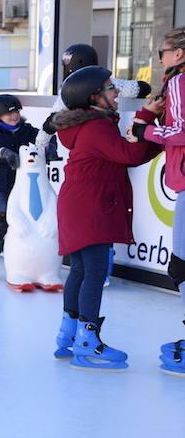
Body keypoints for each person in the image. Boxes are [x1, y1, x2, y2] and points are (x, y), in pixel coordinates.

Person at [51, 66, 161, 370]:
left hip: (79, 204)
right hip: (90, 207)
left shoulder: (87, 125)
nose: (116, 92)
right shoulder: (97, 127)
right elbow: (131, 155)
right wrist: (153, 126)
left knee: (81, 270)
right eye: (110, 87)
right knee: (94, 272)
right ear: (94, 97)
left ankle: (68, 334)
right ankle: (87, 342)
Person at [40, 43, 152, 286]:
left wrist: (42, 142)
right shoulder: (99, 91)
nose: (114, 92)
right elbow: (139, 87)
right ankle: (89, 312)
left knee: (82, 265)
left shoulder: (70, 91)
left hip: (83, 166)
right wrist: (155, 132)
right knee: (94, 253)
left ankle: (72, 321)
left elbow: (50, 122)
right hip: (97, 168)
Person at [126, 26, 185, 375]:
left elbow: (181, 131)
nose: (160, 57)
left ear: (178, 53)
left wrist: (144, 129)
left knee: (180, 266)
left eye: (162, 51)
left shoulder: (179, 83)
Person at [0, 95, 39, 279]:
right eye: (8, 114)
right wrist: (1, 152)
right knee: (2, 222)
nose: (14, 116)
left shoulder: (26, 130)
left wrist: (49, 147)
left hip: (24, 184)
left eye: (16, 112)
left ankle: (30, 261)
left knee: (28, 222)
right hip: (0, 185)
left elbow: (42, 139)